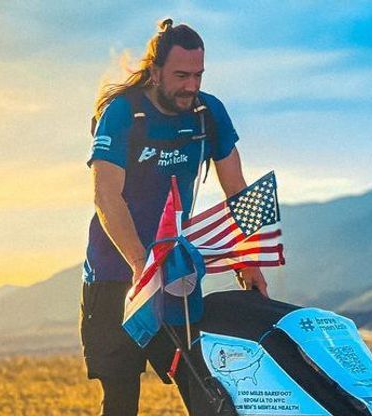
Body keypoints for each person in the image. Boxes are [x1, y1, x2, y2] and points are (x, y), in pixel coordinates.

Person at [80, 18, 269, 416]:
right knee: (119, 399)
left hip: (175, 275)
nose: (191, 85)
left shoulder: (208, 113)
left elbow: (237, 189)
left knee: (207, 389)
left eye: (198, 75)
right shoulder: (123, 113)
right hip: (115, 277)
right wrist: (138, 265)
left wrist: (249, 257)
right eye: (181, 75)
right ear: (155, 71)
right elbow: (106, 197)